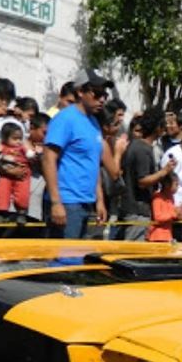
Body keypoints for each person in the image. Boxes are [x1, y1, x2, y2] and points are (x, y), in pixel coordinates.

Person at [42, 68, 110, 239]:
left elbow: (93, 163)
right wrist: (56, 202)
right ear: (80, 92)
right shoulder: (65, 118)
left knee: (81, 260)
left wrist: (100, 200)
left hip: (88, 204)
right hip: (67, 203)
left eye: (105, 95)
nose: (102, 99)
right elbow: (48, 158)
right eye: (97, 93)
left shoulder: (94, 122)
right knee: (64, 260)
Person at [118, 105, 171, 241]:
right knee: (131, 253)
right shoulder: (142, 149)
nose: (165, 128)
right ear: (157, 127)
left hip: (133, 209)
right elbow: (142, 181)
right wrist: (164, 172)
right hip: (137, 211)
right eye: (163, 125)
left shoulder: (137, 145)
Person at [0, 122, 30, 220]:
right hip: (5, 175)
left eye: (20, 138)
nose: (18, 141)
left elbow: (29, 156)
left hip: (22, 174)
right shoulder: (0, 147)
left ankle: (21, 212)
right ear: (5, 138)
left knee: (23, 193)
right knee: (3, 191)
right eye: (15, 138)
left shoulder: (22, 148)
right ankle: (1, 212)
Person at [148, 171, 179, 242]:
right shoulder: (157, 198)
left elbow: (172, 214)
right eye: (176, 185)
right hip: (157, 236)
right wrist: (173, 214)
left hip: (168, 236)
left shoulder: (171, 198)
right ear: (167, 184)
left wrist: (178, 214)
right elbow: (158, 217)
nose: (177, 187)